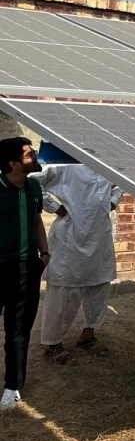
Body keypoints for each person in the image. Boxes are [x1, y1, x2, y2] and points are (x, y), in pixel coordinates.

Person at [32, 145, 123, 363]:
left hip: (99, 235)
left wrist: (112, 203)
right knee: (64, 291)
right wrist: (55, 207)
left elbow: (121, 184)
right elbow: (34, 181)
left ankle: (88, 336)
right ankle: (53, 344)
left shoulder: (108, 164)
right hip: (70, 237)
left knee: (99, 286)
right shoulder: (65, 164)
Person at [0, 137, 50, 410]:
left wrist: (44, 254)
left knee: (19, 330)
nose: (35, 156)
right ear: (13, 164)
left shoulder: (33, 186)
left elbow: (36, 219)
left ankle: (12, 387)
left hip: (27, 268)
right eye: (30, 154)